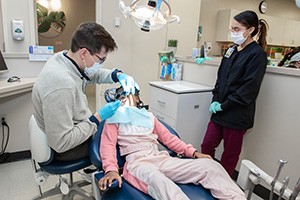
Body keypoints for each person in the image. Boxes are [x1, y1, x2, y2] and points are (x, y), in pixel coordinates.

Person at [98, 86, 246, 200]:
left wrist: (193, 153)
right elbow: (108, 146)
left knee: (211, 166)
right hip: (137, 163)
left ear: (138, 98)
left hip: (161, 158)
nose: (127, 98)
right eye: (122, 96)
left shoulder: (149, 117)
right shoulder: (114, 119)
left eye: (131, 94)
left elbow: (169, 139)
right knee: (160, 182)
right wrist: (111, 169)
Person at [32, 22, 139, 161]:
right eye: (101, 59)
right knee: (126, 143)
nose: (101, 64)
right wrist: (98, 118)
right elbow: (61, 143)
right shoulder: (61, 85)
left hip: (74, 128)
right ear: (84, 53)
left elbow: (90, 75)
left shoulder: (64, 58)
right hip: (67, 147)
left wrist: (117, 75)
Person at [200, 10, 268, 177]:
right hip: (219, 110)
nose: (233, 32)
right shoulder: (231, 50)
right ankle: (206, 174)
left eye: (237, 29)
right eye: (232, 29)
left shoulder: (257, 55)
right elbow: (221, 77)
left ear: (250, 30)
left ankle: (223, 184)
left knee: (229, 154)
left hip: (236, 113)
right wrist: (215, 100)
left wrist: (224, 105)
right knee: (207, 144)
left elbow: (249, 88)